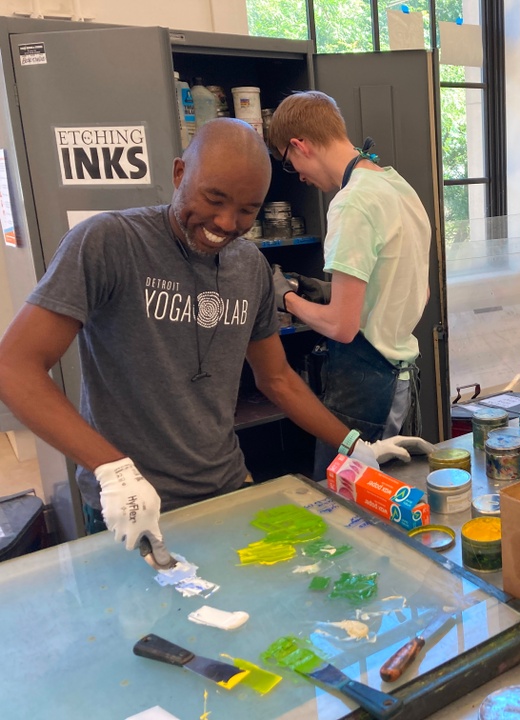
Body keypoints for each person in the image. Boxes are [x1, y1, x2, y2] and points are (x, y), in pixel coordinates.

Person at [0, 118, 432, 561]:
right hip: (133, 506)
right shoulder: (108, 243)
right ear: (178, 175)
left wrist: (353, 444)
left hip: (227, 487)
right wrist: (113, 471)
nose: (227, 223)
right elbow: (15, 367)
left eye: (248, 210)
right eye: (214, 198)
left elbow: (277, 378)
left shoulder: (250, 268)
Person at [266, 91, 432, 481]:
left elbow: (342, 326)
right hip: (399, 382)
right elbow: (414, 292)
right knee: (391, 498)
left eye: (292, 165)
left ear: (299, 145)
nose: (301, 178)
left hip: (364, 392)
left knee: (345, 514)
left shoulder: (351, 202)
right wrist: (329, 293)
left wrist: (286, 298)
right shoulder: (399, 188)